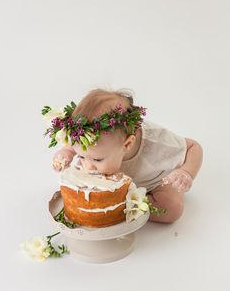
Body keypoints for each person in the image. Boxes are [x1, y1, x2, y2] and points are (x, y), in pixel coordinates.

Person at [48, 88, 203, 224]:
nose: (88, 166)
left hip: (156, 181)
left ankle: (125, 206)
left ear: (127, 144)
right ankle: (113, 203)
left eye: (97, 159)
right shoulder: (94, 144)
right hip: (120, 182)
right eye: (82, 156)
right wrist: (67, 152)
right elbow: (81, 146)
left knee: (171, 209)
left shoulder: (158, 142)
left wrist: (186, 172)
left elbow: (193, 147)